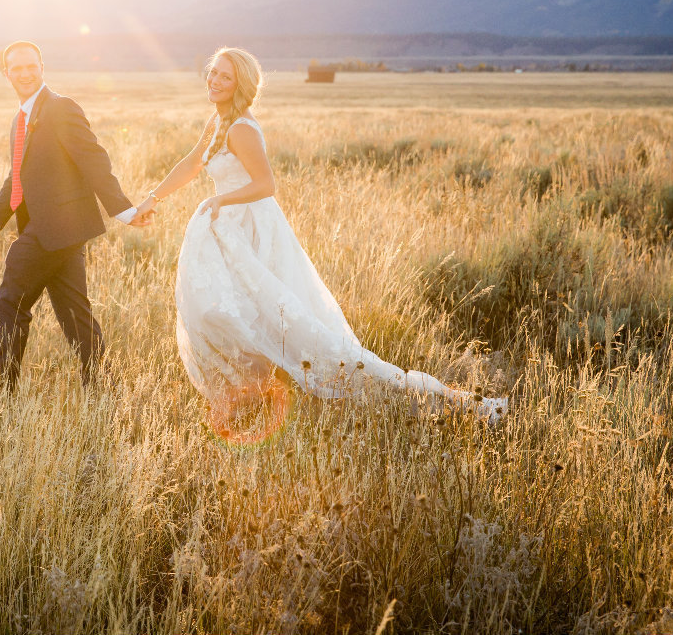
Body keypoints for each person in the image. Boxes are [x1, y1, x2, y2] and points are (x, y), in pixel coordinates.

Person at [131, 47, 508, 424]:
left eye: (224, 76)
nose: (214, 80)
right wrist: (152, 198)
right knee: (226, 310)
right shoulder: (218, 120)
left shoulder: (241, 129)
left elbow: (266, 184)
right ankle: (252, 392)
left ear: (240, 85)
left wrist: (220, 199)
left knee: (278, 321)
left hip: (251, 228)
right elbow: (193, 162)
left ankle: (456, 403)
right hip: (229, 228)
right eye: (213, 72)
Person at [0, 40, 143, 390]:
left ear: (42, 67)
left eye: (31, 66)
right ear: (6, 74)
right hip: (59, 232)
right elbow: (17, 177)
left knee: (10, 301)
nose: (25, 73)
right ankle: (102, 386)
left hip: (56, 226)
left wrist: (123, 210)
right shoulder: (20, 119)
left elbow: (93, 158)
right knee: (74, 312)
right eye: (17, 68)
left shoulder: (61, 107)